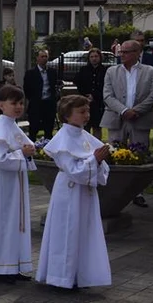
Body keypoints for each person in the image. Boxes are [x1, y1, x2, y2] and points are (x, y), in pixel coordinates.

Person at [36, 95, 111, 289]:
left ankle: (79, 274)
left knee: (83, 232)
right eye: (81, 111)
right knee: (67, 231)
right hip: (69, 192)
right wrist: (94, 160)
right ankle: (61, 277)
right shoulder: (62, 139)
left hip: (85, 194)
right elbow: (73, 170)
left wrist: (99, 161)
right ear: (67, 115)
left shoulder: (86, 137)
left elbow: (100, 168)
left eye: (87, 111)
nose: (87, 115)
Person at [0, 85, 36, 281]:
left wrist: (28, 154)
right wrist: (22, 154)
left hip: (16, 184)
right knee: (3, 222)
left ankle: (14, 264)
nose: (19, 106)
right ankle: (0, 267)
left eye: (21, 102)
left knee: (16, 223)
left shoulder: (13, 126)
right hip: (3, 185)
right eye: (14, 103)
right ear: (1, 105)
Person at [101, 40, 153, 150]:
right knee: (114, 153)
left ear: (137, 53)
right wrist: (124, 111)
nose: (122, 55)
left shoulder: (150, 71)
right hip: (116, 119)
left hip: (141, 119)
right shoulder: (111, 71)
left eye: (126, 52)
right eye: (121, 52)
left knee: (139, 154)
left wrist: (135, 111)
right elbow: (107, 96)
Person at [23, 49, 58, 140]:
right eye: (42, 56)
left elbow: (54, 86)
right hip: (36, 104)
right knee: (34, 127)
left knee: (48, 128)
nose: (44, 58)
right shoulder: (30, 73)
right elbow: (27, 88)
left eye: (46, 56)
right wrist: (33, 98)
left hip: (49, 103)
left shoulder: (52, 72)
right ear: (37, 58)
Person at [74, 47, 108, 139]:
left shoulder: (105, 70)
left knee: (97, 126)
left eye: (96, 56)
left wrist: (95, 95)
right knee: (85, 126)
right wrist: (86, 94)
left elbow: (106, 86)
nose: (94, 58)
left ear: (100, 57)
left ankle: (97, 146)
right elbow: (78, 83)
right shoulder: (84, 70)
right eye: (92, 56)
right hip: (85, 102)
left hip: (98, 102)